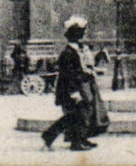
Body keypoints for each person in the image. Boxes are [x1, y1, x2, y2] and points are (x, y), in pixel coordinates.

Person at [41, 17, 98, 152]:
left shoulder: (75, 51)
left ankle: (79, 140)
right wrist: (74, 93)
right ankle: (53, 137)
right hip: (69, 90)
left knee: (78, 115)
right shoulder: (68, 53)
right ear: (76, 36)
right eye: (82, 34)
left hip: (73, 88)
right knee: (73, 116)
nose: (84, 36)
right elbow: (68, 75)